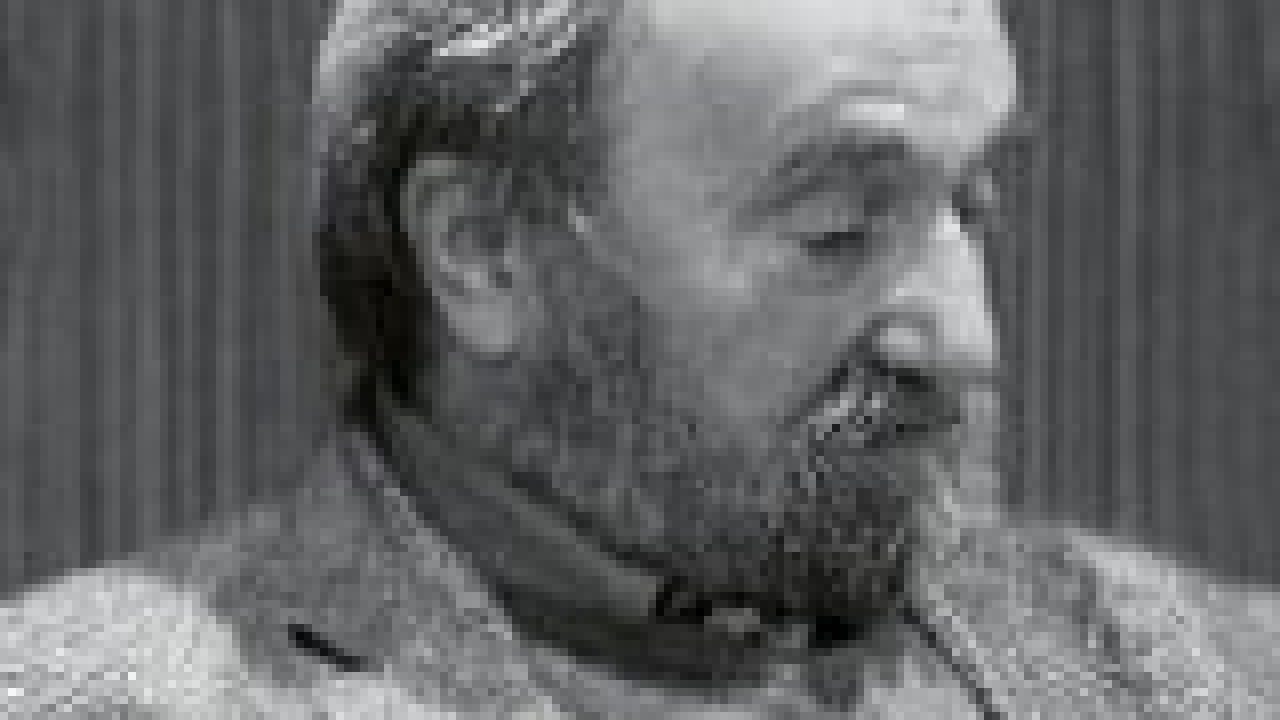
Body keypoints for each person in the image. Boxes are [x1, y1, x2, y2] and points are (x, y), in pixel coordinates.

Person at [4, 1, 1278, 716]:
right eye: (836, 230)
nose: (963, 343)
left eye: (971, 205)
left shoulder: (1186, 669)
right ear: (483, 250)